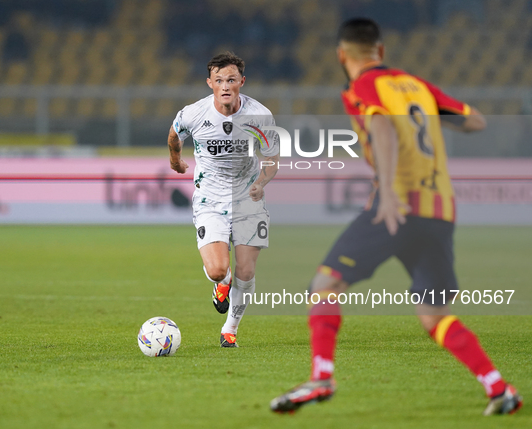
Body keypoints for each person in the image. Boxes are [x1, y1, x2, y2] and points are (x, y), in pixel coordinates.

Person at [270, 18, 522, 415]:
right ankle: (499, 388)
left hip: (398, 205)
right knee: (434, 314)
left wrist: (386, 191)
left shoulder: (362, 87)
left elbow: (382, 126)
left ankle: (321, 376)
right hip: (440, 209)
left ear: (342, 55)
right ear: (381, 51)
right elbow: (475, 121)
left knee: (325, 283)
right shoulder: (417, 86)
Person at [168, 52, 279, 347]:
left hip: (247, 196)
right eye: (219, 80)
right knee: (219, 269)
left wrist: (262, 182)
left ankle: (230, 329)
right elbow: (175, 135)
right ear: (210, 83)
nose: (225, 85)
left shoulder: (260, 116)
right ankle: (222, 284)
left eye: (231, 79)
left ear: (242, 81)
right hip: (211, 197)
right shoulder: (195, 113)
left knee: (247, 270)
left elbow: (271, 158)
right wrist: (175, 160)